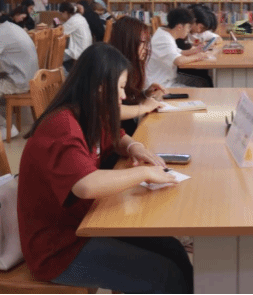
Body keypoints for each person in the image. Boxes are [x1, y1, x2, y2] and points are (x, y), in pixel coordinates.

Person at [17, 44, 193, 294]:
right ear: (100, 86)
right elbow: (86, 185)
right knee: (164, 275)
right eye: (119, 88)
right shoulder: (62, 126)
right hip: (59, 250)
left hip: (87, 222)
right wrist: (144, 173)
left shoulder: (89, 113)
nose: (123, 96)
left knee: (174, 251)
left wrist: (134, 147)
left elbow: (116, 137)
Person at [110, 16, 167, 136]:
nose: (147, 48)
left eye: (147, 42)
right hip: (116, 135)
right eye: (143, 42)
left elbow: (127, 100)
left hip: (125, 132)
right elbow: (111, 111)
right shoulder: (112, 68)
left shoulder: (130, 65)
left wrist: (144, 94)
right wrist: (145, 107)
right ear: (128, 42)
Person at [146, 8, 211, 88]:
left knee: (202, 82)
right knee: (200, 88)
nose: (189, 30)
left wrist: (196, 50)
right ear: (180, 27)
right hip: (161, 84)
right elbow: (179, 61)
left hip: (168, 78)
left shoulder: (165, 33)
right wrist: (199, 56)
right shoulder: (164, 39)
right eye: (188, 27)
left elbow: (179, 52)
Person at [57, 2, 92, 73]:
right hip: (86, 49)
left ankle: (65, 75)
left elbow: (59, 32)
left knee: (54, 58)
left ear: (65, 12)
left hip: (79, 51)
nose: (61, 16)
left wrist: (57, 25)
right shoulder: (79, 17)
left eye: (61, 14)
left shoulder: (74, 20)